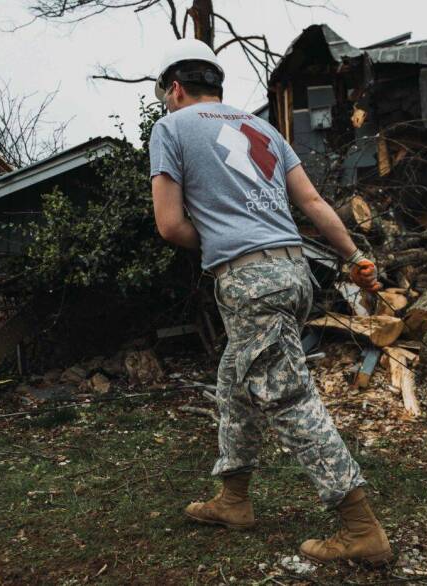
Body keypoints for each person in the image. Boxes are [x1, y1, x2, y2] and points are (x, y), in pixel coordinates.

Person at [148, 39, 393, 566]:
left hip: (249, 279)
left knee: (288, 396)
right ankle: (233, 499)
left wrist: (217, 242)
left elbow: (169, 225)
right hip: (294, 268)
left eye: (166, 93)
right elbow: (311, 201)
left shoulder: (171, 128)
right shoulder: (263, 130)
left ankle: (361, 528)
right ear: (216, 84)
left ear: (174, 87)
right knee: (236, 377)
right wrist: (354, 258)